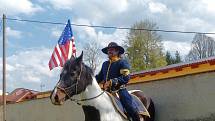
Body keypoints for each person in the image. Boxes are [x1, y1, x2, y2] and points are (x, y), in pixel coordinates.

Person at [96, 42, 140, 121]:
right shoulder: (105, 64)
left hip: (120, 90)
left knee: (129, 106)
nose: (109, 51)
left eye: (112, 50)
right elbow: (99, 77)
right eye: (108, 50)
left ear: (117, 51)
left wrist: (112, 82)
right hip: (106, 91)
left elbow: (126, 77)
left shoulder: (122, 62)